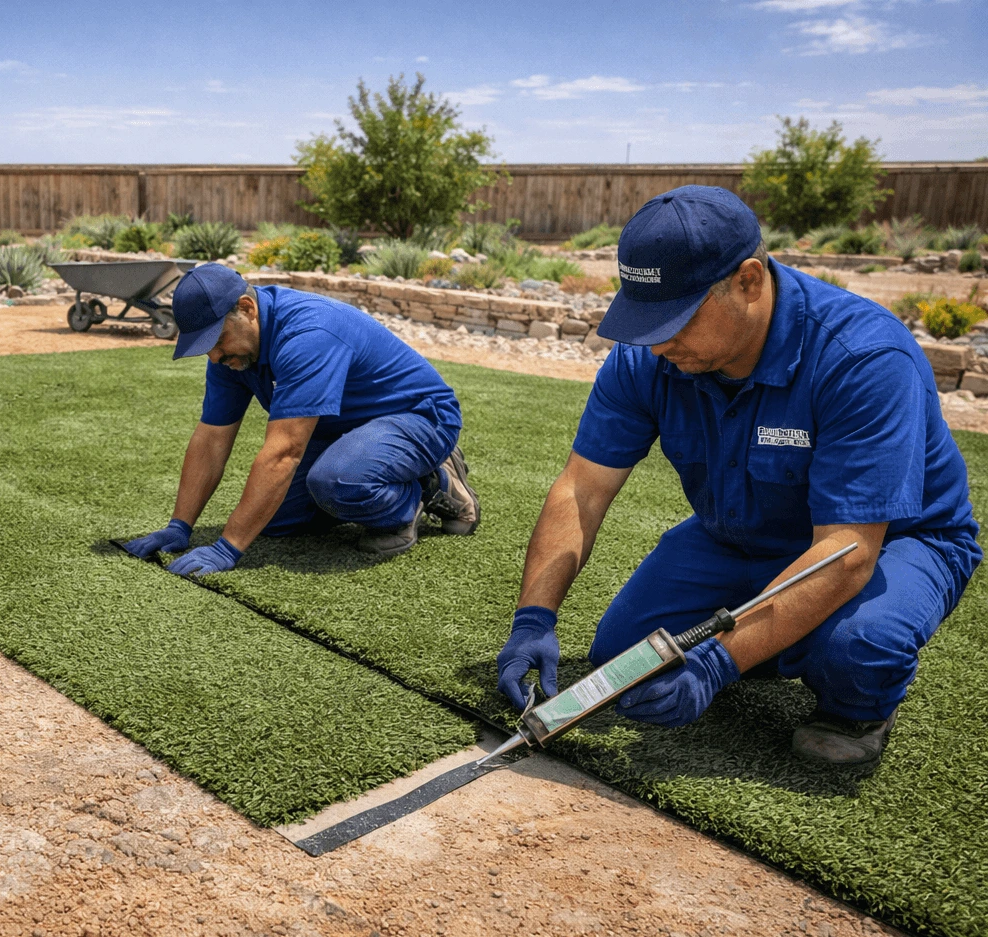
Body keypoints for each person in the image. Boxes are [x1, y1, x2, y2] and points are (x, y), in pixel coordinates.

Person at [495, 185, 980, 767]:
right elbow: (582, 488)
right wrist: (533, 619)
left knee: (855, 651)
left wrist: (718, 663)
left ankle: (856, 699)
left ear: (749, 281)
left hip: (893, 540)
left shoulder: (863, 358)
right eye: (645, 320)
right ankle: (781, 634)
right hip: (741, 533)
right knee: (624, 653)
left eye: (674, 319)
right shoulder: (649, 355)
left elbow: (847, 552)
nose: (657, 344)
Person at [123, 263, 480, 576]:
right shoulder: (231, 354)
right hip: (342, 427)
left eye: (216, 341)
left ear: (247, 309)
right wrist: (179, 525)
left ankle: (424, 487)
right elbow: (212, 438)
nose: (214, 356)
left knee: (337, 481)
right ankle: (368, 473)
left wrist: (227, 548)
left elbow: (285, 453)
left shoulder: (308, 335)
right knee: (275, 520)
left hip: (418, 416)